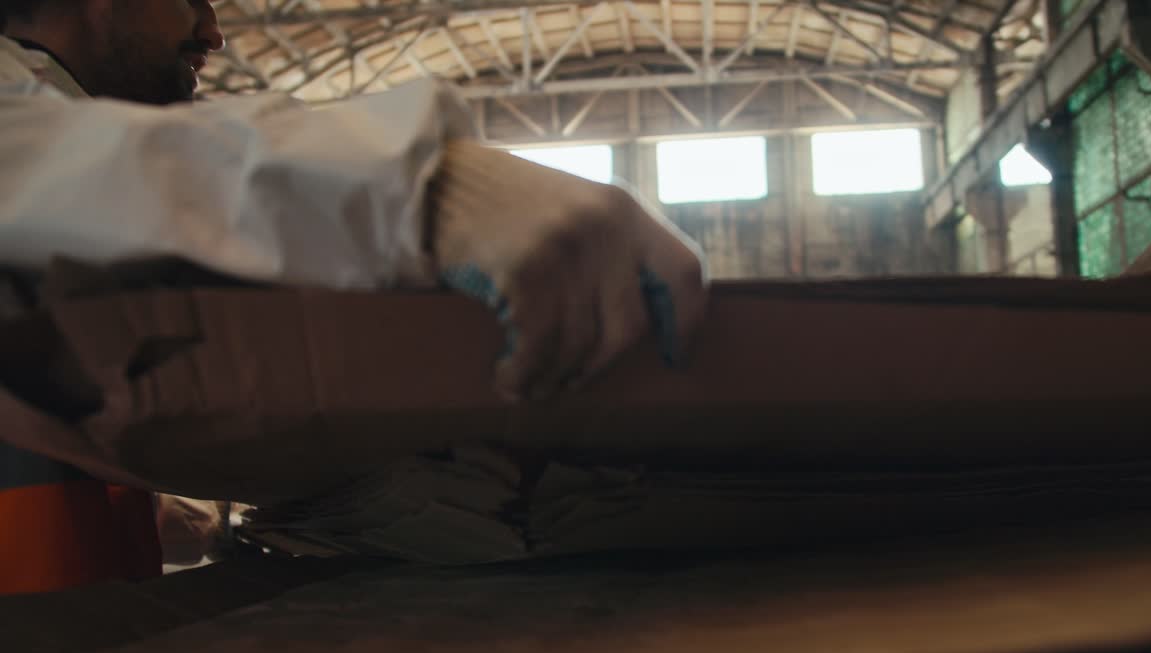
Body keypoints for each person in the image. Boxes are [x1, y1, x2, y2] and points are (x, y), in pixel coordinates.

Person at [0, 0, 708, 591]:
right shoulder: (45, 150)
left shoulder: (69, 232)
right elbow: (49, 156)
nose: (211, 30)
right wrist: (412, 189)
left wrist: (163, 509)